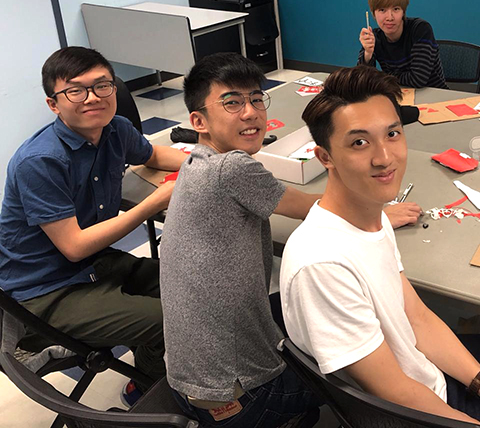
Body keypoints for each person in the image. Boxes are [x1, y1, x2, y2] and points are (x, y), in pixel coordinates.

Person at [280, 65, 480, 428]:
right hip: (412, 414)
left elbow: (416, 317)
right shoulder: (322, 264)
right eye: (359, 142)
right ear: (325, 157)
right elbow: (394, 392)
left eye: (392, 134)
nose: (384, 157)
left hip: (421, 372)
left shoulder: (373, 216)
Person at [159, 53, 418, 427]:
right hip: (237, 397)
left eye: (255, 98)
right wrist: (376, 207)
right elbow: (306, 205)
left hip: (189, 380)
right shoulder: (232, 167)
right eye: (232, 102)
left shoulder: (196, 160)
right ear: (198, 120)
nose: (250, 112)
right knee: (363, 365)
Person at [0, 46, 187, 402]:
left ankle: (155, 374)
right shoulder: (40, 160)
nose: (93, 98)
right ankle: (147, 390)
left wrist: (209, 162)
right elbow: (74, 247)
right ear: (54, 104)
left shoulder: (116, 129)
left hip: (94, 265)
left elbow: (152, 154)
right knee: (173, 320)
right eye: (76, 90)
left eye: (103, 85)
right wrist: (153, 203)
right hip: (46, 288)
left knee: (191, 284)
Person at [357, 0, 448, 89]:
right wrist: (367, 54)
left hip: (435, 96)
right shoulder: (375, 37)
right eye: (382, 10)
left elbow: (418, 79)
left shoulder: (420, 29)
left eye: (396, 9)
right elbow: (362, 80)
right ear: (373, 14)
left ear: (403, 11)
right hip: (397, 94)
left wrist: (381, 77)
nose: (389, 17)